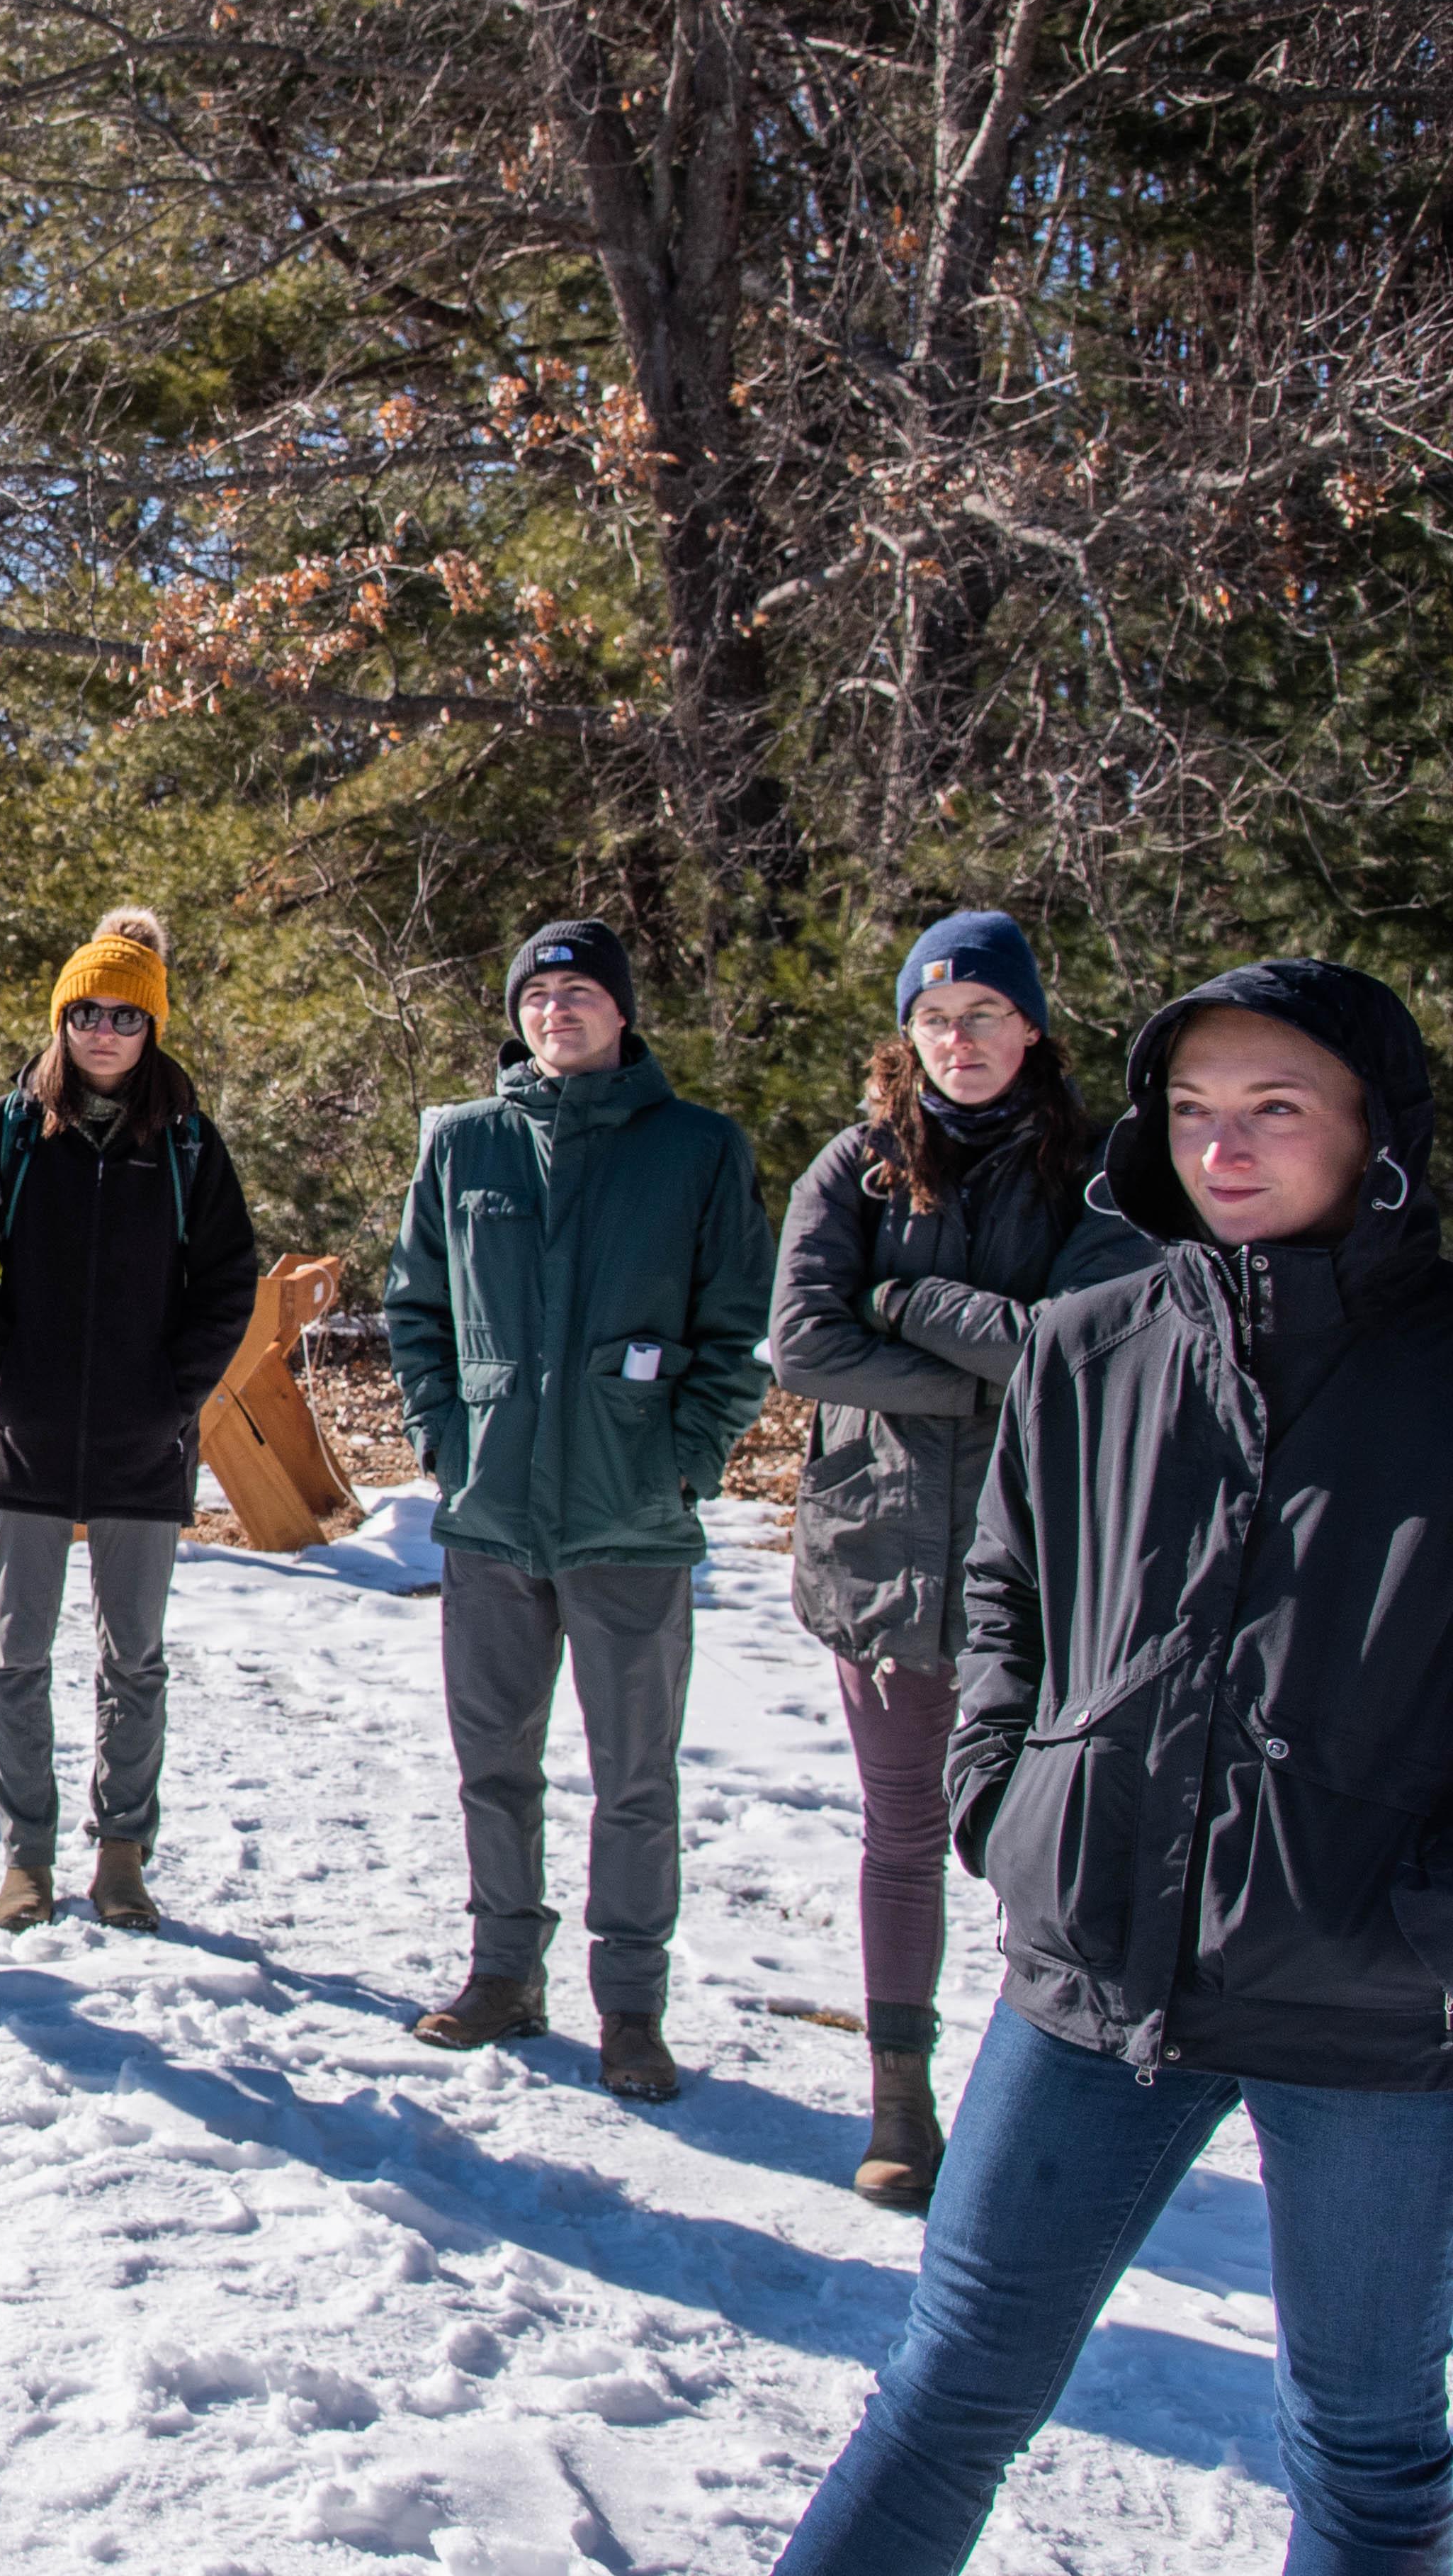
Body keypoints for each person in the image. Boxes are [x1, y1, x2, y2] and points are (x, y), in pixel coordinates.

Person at [776, 958, 1453, 2575]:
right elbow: (1002, 1592)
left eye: (1273, 1108)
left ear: (1375, 1132)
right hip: (1087, 1968)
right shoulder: (1093, 1343)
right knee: (945, 2389)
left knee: (1364, 2452)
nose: (1223, 1145)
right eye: (1196, 1110)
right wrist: (1011, 1803)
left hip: (1371, 2003)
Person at [767, 911, 1148, 2208]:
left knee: (1048, 1844)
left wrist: (912, 1303)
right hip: (878, 1555)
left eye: (984, 1014)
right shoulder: (860, 1168)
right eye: (935, 1019)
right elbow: (805, 1349)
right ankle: (901, 2102)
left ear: (1031, 1026)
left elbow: (1088, 1349)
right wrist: (985, 1374)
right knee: (902, 1833)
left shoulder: (1101, 1175)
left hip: (1049, 1562)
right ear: (907, 1035)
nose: (960, 1039)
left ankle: (1039, 2108)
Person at [383, 918, 771, 2103]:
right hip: (494, 1517)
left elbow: (734, 1332)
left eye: (581, 991)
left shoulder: (698, 1150)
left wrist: (683, 1463)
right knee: (493, 1765)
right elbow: (417, 1312)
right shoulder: (466, 1146)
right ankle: (504, 1970)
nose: (558, 1009)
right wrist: (449, 1446)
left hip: (630, 1519)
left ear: (622, 1010)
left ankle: (632, 2008)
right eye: (539, 993)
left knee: (635, 1778)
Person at [0, 908, 260, 1936]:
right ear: (62, 1019)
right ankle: (24, 1858)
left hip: (143, 1443)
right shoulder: (7, 1134)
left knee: (135, 1660)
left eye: (127, 1014)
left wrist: (174, 1399)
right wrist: (3, 1378)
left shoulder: (190, 1145)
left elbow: (225, 1287)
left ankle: (121, 1856)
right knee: (14, 1660)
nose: (106, 1031)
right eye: (87, 1012)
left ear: (153, 1026)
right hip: (23, 1438)